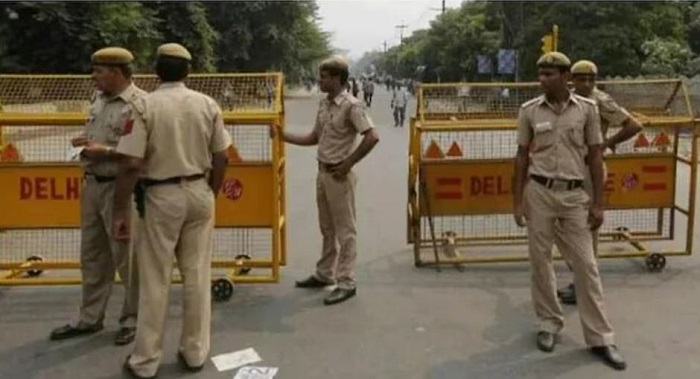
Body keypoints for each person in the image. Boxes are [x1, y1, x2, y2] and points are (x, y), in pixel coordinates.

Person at [112, 43, 231, 378]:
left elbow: (132, 163)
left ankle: (146, 361)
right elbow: (222, 156)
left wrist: (121, 209)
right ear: (189, 72)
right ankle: (194, 352)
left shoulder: (143, 106)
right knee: (196, 275)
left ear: (156, 71)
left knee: (154, 277)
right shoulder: (207, 104)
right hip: (199, 190)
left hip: (160, 195)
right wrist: (211, 192)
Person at [512, 52, 626, 370]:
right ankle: (549, 323)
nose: (542, 79)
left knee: (586, 265)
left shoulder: (588, 110)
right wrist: (517, 202)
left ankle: (601, 337)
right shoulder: (529, 111)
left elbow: (595, 157)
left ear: (565, 77)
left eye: (549, 74)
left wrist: (599, 203)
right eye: (540, 74)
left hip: (576, 196)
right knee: (540, 262)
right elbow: (521, 157)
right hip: (539, 192)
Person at [50, 47, 145, 346]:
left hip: (121, 188)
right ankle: (90, 318)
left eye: (99, 71)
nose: (94, 77)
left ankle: (133, 319)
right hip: (92, 184)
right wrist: (84, 143)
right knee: (92, 255)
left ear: (117, 73)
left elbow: (138, 153)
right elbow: (100, 136)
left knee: (126, 257)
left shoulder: (138, 105)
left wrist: (102, 151)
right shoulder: (99, 100)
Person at [269, 55, 379, 306]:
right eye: (320, 76)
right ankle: (324, 273)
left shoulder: (353, 106)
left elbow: (372, 136)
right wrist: (282, 136)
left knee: (345, 231)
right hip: (323, 172)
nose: (319, 80)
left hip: (339, 176)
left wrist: (348, 163)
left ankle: (346, 282)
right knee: (327, 228)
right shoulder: (325, 105)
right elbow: (314, 137)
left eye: (324, 76)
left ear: (338, 79)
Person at [556, 59, 643, 305]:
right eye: (581, 78)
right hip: (567, 170)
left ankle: (585, 284)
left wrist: (606, 144)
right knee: (561, 225)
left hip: (588, 171)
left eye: (591, 79)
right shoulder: (567, 98)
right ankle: (581, 278)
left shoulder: (600, 101)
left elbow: (634, 125)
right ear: (570, 78)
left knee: (588, 228)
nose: (586, 83)